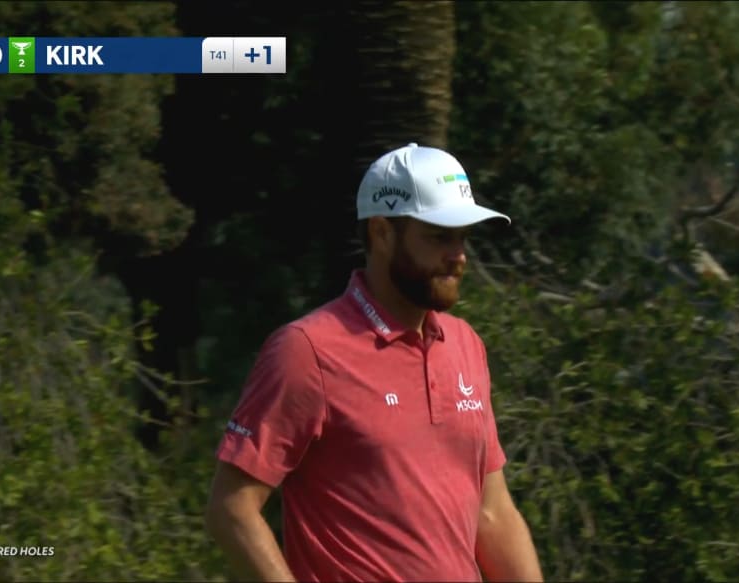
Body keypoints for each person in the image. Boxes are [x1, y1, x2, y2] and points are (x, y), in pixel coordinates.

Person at [205, 143, 543, 582]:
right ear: (382, 233)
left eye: (463, 236)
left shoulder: (465, 345)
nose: (458, 254)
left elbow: (493, 513)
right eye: (439, 236)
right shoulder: (306, 351)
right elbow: (231, 508)